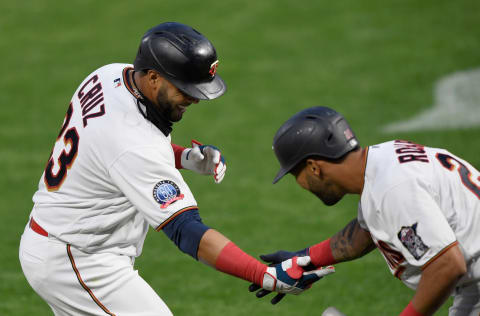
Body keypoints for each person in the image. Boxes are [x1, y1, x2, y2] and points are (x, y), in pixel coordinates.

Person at [19, 23, 333, 315]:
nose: (194, 100)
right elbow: (186, 231)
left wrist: (183, 157)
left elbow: (109, 153)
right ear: (154, 76)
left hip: (58, 241)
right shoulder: (133, 142)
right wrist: (263, 273)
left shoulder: (109, 75)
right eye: (187, 89)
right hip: (78, 260)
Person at [251, 106, 480, 315]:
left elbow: (447, 266)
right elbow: (368, 230)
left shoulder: (392, 189)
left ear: (314, 167)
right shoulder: (382, 162)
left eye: (294, 175)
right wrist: (306, 259)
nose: (299, 184)